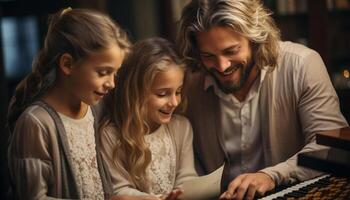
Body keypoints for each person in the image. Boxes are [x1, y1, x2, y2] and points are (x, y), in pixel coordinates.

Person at [177, 0, 349, 199]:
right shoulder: (190, 83)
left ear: (255, 39)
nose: (222, 66)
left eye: (231, 51)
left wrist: (271, 176)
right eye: (208, 55)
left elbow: (330, 150)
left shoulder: (302, 65)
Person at [6, 8, 130, 199]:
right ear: (68, 64)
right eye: (103, 72)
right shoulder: (36, 123)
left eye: (115, 73)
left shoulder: (95, 110)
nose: (112, 83)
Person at [100, 38, 198, 200]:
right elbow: (119, 189)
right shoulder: (110, 135)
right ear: (135, 93)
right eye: (162, 94)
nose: (174, 102)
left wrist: (180, 193)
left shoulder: (181, 127)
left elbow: (187, 176)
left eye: (178, 91)